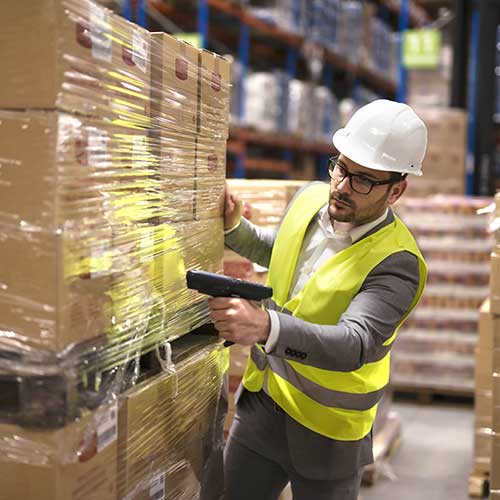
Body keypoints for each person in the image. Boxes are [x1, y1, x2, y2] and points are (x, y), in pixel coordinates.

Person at [209, 99, 428, 500]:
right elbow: (283, 252)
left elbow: (354, 343)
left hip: (328, 433)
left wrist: (264, 326)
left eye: (363, 180)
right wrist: (234, 228)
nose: (342, 186)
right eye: (341, 167)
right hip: (264, 405)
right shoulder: (311, 199)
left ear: (396, 190)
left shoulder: (398, 263)